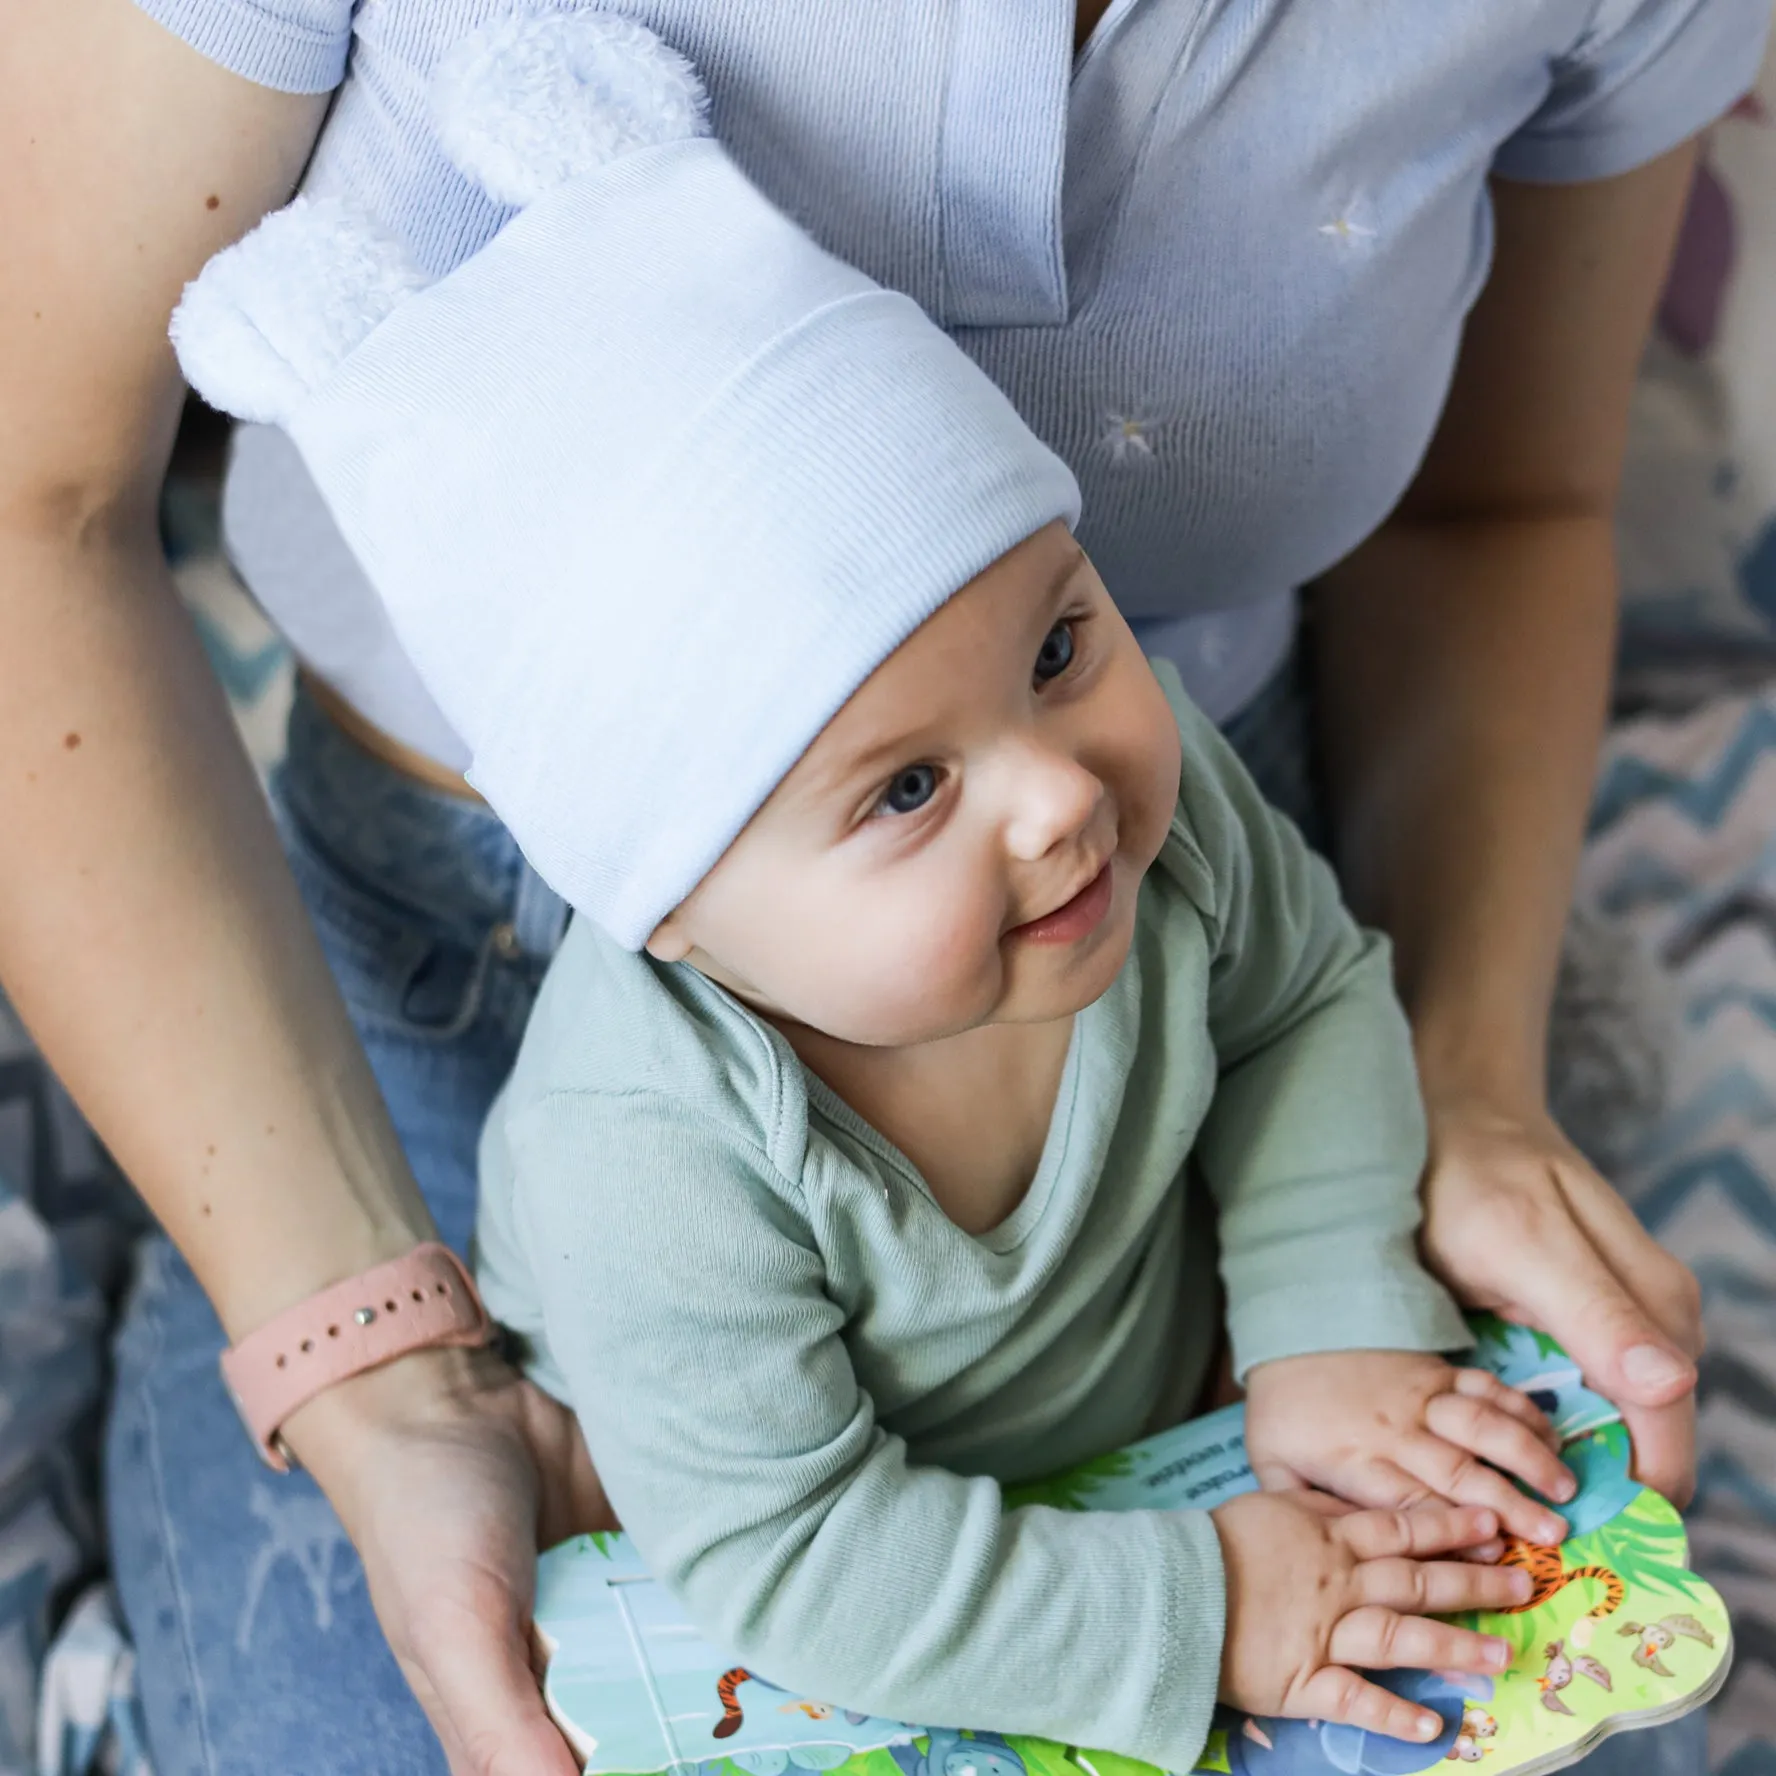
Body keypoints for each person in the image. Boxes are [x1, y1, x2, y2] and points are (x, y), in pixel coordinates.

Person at [3, 0, 1764, 1771]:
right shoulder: (648, 1157)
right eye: (912, 787)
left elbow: (1309, 997)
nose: (1063, 798)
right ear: (669, 920)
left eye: (1067, 644)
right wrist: (1204, 1607)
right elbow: (793, 1546)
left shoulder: (1159, 819)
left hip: (1140, 1330)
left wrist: (1335, 1311)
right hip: (754, 1458)